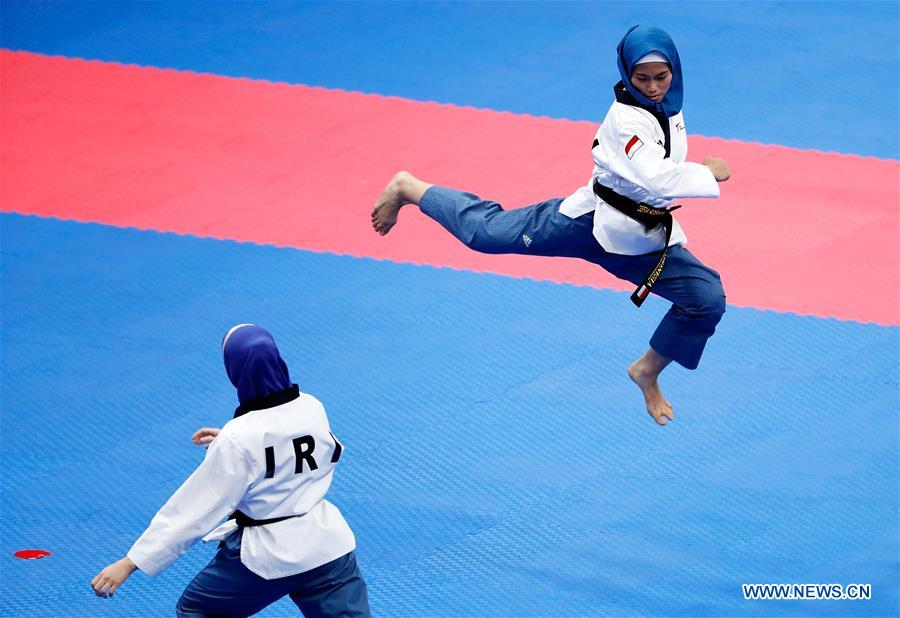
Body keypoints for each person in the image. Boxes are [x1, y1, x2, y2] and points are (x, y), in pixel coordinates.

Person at [370, 25, 730, 427]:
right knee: (485, 235)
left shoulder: (670, 109)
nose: (651, 87)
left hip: (643, 238)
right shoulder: (625, 119)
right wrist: (706, 174)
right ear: (625, 73)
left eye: (661, 77)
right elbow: (652, 177)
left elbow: (660, 172)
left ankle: (647, 370)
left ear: (674, 71)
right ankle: (411, 188)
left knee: (707, 298)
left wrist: (693, 172)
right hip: (592, 223)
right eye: (640, 78)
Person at [91, 324, 371, 617]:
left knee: (198, 610)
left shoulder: (239, 438)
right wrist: (232, 443)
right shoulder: (311, 406)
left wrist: (131, 562)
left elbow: (193, 511)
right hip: (326, 547)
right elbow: (317, 449)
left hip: (265, 557)